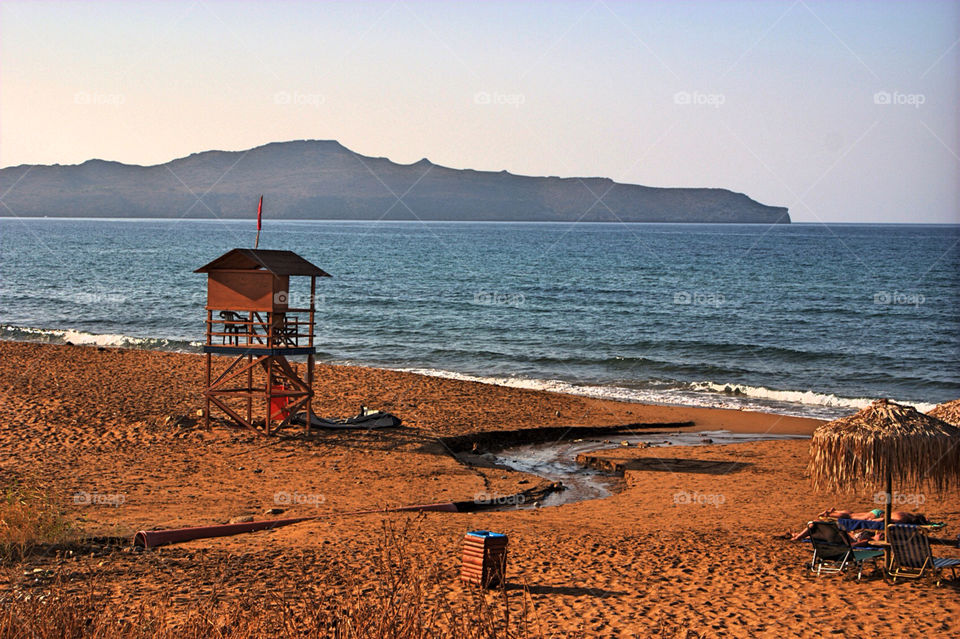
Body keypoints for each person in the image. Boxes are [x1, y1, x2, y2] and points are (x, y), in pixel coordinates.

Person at [787, 521, 882, 545]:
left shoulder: (867, 541)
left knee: (814, 524)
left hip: (841, 539)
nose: (882, 535)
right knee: (816, 529)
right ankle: (798, 535)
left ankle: (797, 537)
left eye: (882, 537)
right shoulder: (870, 535)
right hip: (839, 537)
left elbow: (853, 545)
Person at [818, 507, 928, 524]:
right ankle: (830, 515)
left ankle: (833, 512)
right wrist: (872, 522)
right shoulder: (903, 519)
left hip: (879, 511)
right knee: (851, 517)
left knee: (852, 514)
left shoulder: (907, 514)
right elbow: (884, 519)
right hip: (876, 516)